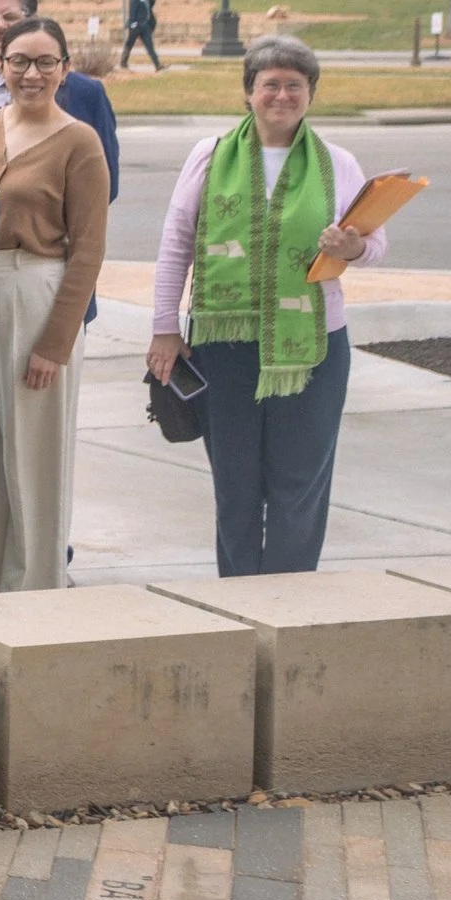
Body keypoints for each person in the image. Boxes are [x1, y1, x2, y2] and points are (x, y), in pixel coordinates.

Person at [149, 36, 384, 575]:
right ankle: (241, 599)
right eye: (270, 84)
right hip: (223, 344)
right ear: (248, 93)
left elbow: (375, 243)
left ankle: (290, 599)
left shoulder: (338, 163)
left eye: (294, 85)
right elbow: (175, 245)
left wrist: (354, 248)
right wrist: (165, 327)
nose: (282, 95)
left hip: (314, 349)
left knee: (299, 484)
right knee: (235, 485)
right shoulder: (208, 156)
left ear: (311, 94)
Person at [0, 19, 108, 594]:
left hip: (35, 292)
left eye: (44, 62)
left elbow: (88, 248)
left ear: (64, 69)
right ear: (0, 65)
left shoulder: (78, 140)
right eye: (18, 61)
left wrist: (55, 343)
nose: (30, 74)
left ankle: (35, 589)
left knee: (34, 454)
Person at [0, 0, 118, 198]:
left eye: (10, 17)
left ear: (31, 21)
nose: (0, 26)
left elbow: (105, 186)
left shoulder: (87, 94)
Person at [122, 0, 162, 71]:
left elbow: (149, 7)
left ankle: (157, 64)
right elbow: (132, 11)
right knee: (129, 44)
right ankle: (123, 62)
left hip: (145, 26)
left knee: (149, 45)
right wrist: (132, 24)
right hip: (136, 25)